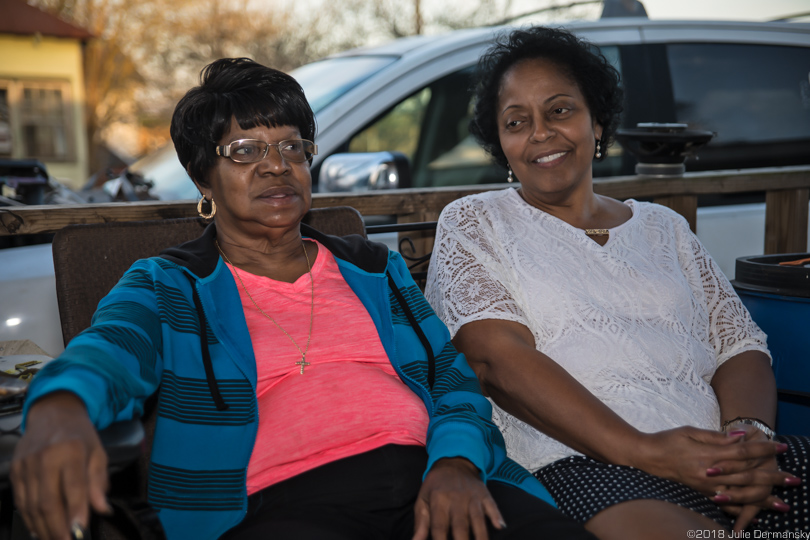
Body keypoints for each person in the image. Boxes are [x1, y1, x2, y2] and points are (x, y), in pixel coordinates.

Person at [10, 58, 595, 540]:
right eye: (244, 151)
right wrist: (59, 407)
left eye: (292, 147)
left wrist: (457, 462)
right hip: (282, 508)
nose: (276, 166)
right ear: (202, 177)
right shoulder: (169, 285)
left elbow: (454, 379)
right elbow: (107, 351)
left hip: (436, 483)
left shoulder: (375, 268)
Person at [425, 27, 810, 540]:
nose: (540, 133)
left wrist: (748, 439)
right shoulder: (477, 222)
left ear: (597, 120)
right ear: (501, 142)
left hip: (719, 455)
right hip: (581, 462)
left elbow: (739, 347)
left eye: (560, 110)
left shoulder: (663, 227)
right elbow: (494, 358)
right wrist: (648, 451)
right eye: (517, 121)